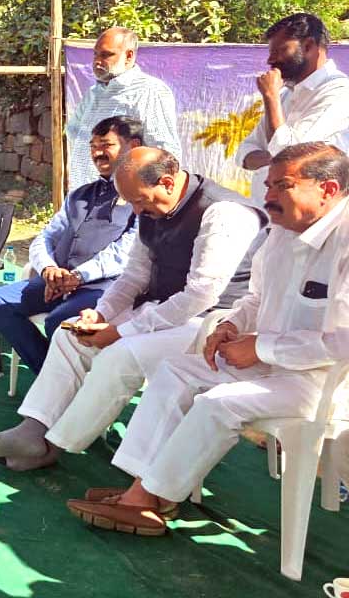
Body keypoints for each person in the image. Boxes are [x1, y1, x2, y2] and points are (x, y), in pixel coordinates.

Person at [67, 142, 349, 536]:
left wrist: (260, 348)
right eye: (268, 185)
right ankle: (144, 492)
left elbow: (343, 343)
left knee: (216, 404)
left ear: (328, 190)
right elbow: (256, 298)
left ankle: (146, 499)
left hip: (323, 382)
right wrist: (230, 326)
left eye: (282, 186)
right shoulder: (283, 230)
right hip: (267, 363)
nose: (268, 195)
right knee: (175, 372)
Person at [0, 147, 266, 470]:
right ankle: (33, 429)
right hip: (164, 310)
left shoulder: (224, 213)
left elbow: (201, 294)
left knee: (120, 354)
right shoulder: (150, 210)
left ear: (168, 183)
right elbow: (134, 276)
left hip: (212, 322)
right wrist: (101, 313)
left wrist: (121, 332)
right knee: (70, 336)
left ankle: (52, 444)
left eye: (139, 201)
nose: (137, 211)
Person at [0, 117, 142, 374]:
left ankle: (58, 381)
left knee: (59, 321)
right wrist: (49, 270)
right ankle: (51, 376)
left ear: (132, 146)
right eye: (93, 146)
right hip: (59, 282)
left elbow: (127, 252)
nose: (98, 153)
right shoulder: (80, 194)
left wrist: (78, 276)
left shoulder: (141, 195)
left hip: (105, 287)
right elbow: (46, 237)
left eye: (106, 145)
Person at [237, 13, 349, 205]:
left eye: (280, 50)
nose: (270, 60)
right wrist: (277, 159)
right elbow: (244, 153)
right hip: (266, 210)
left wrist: (270, 97)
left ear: (308, 46)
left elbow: (288, 154)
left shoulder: (339, 92)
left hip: (308, 216)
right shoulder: (285, 94)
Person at [67, 28, 180, 189]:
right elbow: (74, 134)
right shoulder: (94, 93)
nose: (97, 61)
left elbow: (163, 152)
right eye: (95, 54)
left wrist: (139, 195)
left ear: (128, 56)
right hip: (84, 193)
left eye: (106, 55)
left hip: (122, 197)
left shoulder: (149, 91)